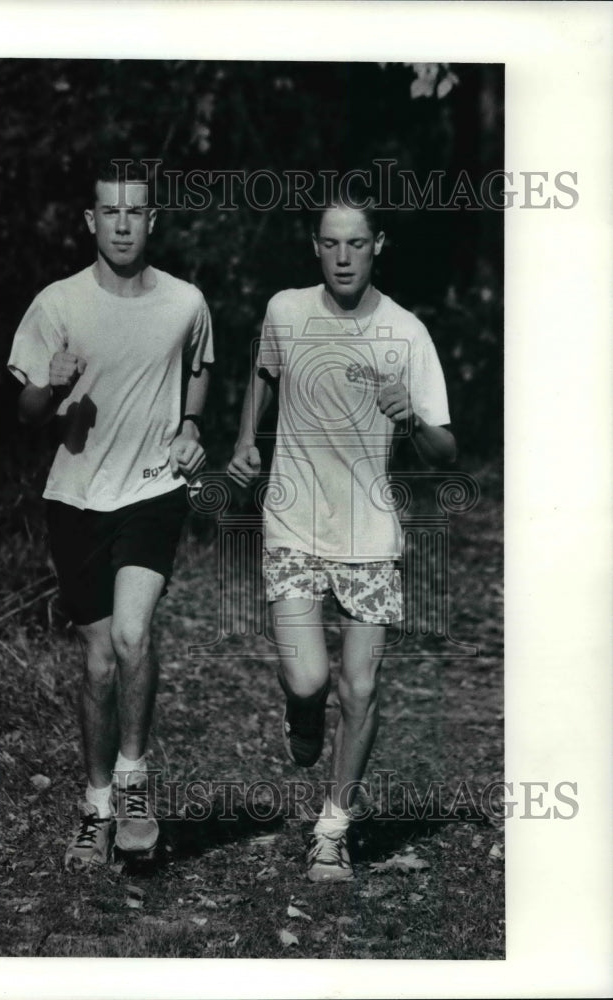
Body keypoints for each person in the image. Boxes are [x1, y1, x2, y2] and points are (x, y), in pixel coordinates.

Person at [227, 181, 455, 882]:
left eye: (358, 243)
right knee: (310, 677)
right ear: (316, 246)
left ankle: (334, 828)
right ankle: (300, 710)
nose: (344, 256)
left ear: (378, 246)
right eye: (332, 243)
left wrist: (410, 418)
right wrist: (245, 442)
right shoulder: (286, 312)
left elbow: (446, 450)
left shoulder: (406, 332)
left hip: (369, 536)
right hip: (293, 523)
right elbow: (262, 375)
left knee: (359, 688)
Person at [7, 160, 214, 867]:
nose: (123, 224)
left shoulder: (186, 302)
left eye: (136, 212)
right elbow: (27, 411)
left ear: (153, 220)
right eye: (110, 212)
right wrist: (48, 385)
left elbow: (201, 365)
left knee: (132, 633)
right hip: (76, 497)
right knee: (97, 662)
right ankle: (95, 807)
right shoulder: (57, 305)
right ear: (92, 221)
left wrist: (190, 427)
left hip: (154, 490)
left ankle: (132, 780)